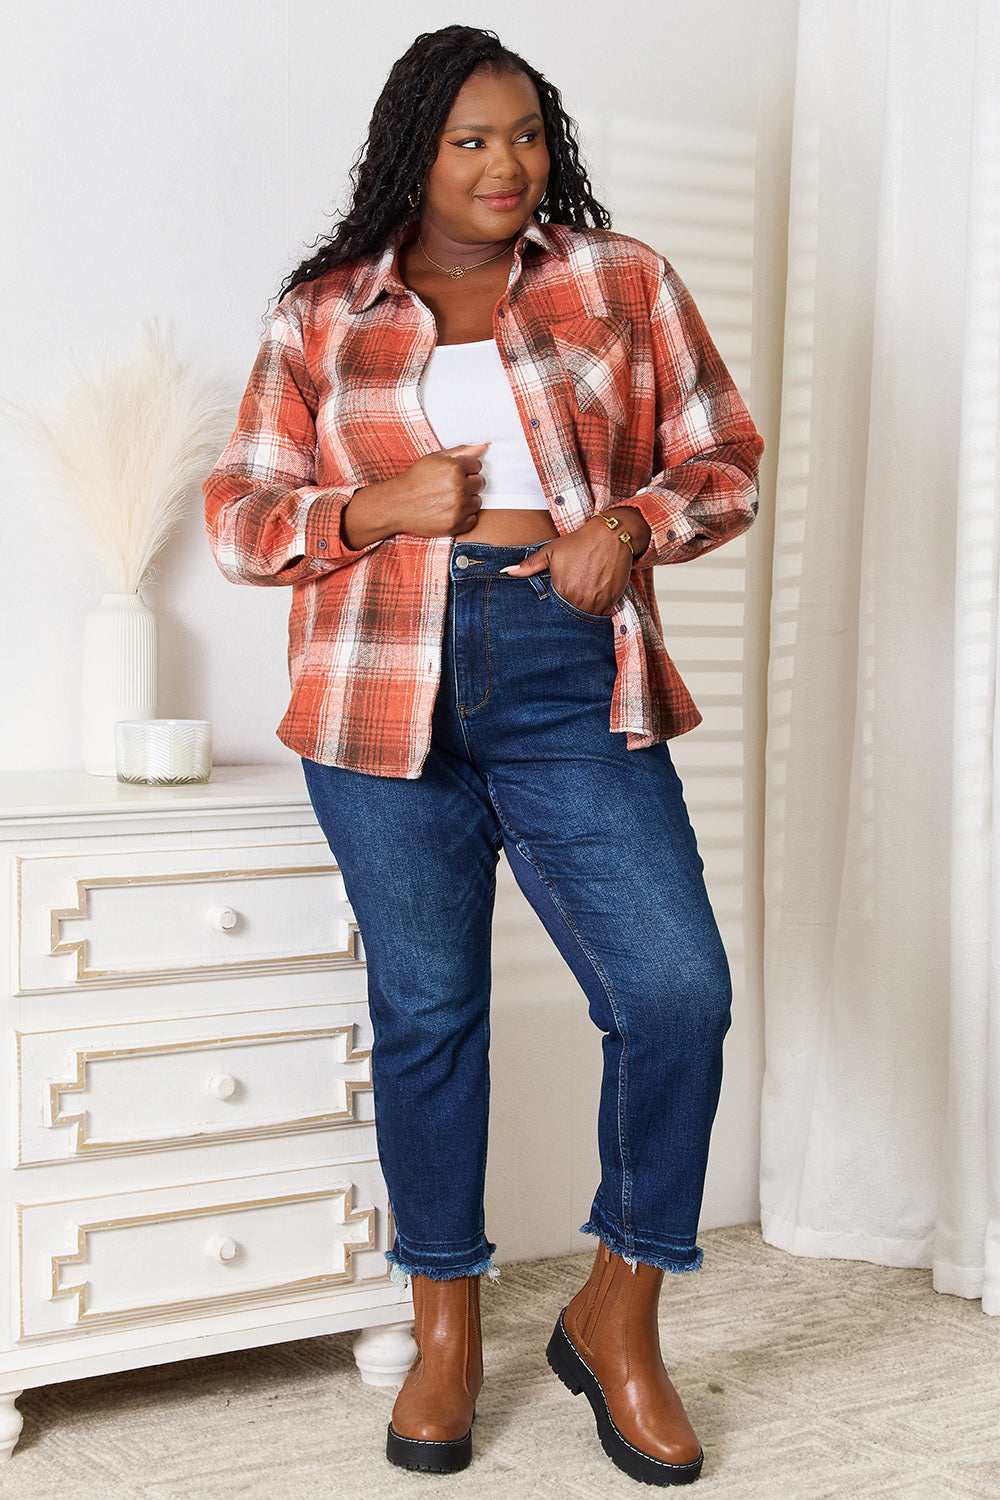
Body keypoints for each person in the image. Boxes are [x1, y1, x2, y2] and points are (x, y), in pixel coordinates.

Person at [204, 24, 762, 1487]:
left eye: (524, 135)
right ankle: (442, 1325)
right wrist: (377, 508)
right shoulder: (323, 314)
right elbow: (244, 517)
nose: (505, 164)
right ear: (413, 153)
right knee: (433, 1011)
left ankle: (617, 1312)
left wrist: (632, 526)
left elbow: (722, 457)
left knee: (674, 992)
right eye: (469, 141)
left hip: (569, 665)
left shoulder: (615, 280)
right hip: (377, 691)